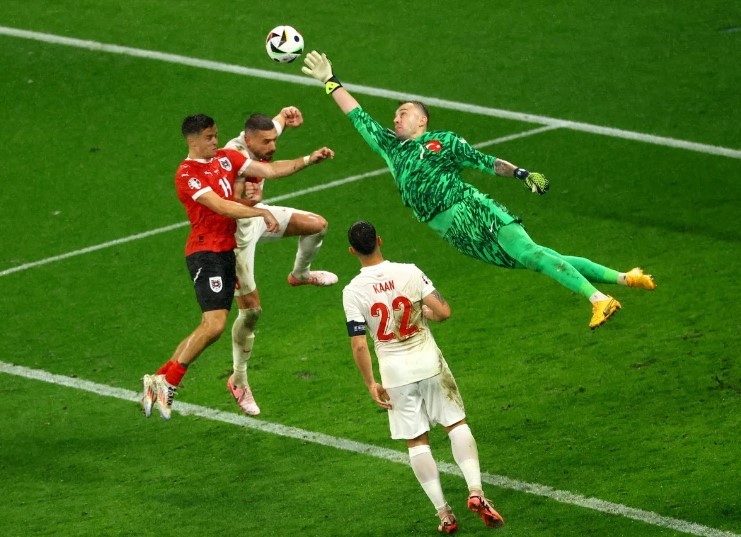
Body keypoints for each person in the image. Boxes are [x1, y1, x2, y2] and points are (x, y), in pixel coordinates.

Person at [302, 52, 656, 330]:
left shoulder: (443, 141)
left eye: (404, 113)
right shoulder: (392, 149)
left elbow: (485, 162)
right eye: (395, 115)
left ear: (422, 121)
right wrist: (330, 81)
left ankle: (599, 299)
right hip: (456, 234)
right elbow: (358, 115)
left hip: (473, 210)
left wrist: (521, 173)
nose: (396, 118)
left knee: (532, 255)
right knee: (536, 258)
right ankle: (626, 278)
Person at [140, 113, 334, 420]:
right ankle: (176, 381)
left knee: (211, 326)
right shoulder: (187, 174)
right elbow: (221, 206)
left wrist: (309, 158)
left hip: (226, 248)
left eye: (216, 135)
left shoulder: (226, 158)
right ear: (192, 140)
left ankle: (161, 379)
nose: (215, 141)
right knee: (216, 325)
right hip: (207, 252)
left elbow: (270, 168)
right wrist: (257, 210)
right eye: (209, 137)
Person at [342, 220, 505, 533]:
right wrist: (426, 314)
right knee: (455, 424)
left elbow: (359, 344)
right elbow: (443, 311)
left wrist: (370, 383)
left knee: (417, 441)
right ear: (379, 240)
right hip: (429, 362)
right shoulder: (410, 271)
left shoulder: (352, 291)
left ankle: (445, 515)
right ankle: (476, 491)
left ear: (352, 251)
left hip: (395, 374)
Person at [223, 106, 338, 415]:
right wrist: (309, 159)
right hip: (234, 238)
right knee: (251, 312)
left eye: (274, 140)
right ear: (248, 139)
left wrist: (287, 114)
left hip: (259, 218)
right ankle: (239, 380)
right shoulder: (233, 156)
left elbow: (279, 122)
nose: (272, 146)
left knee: (318, 225)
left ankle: (300, 274)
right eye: (266, 142)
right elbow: (228, 203)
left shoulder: (261, 137)